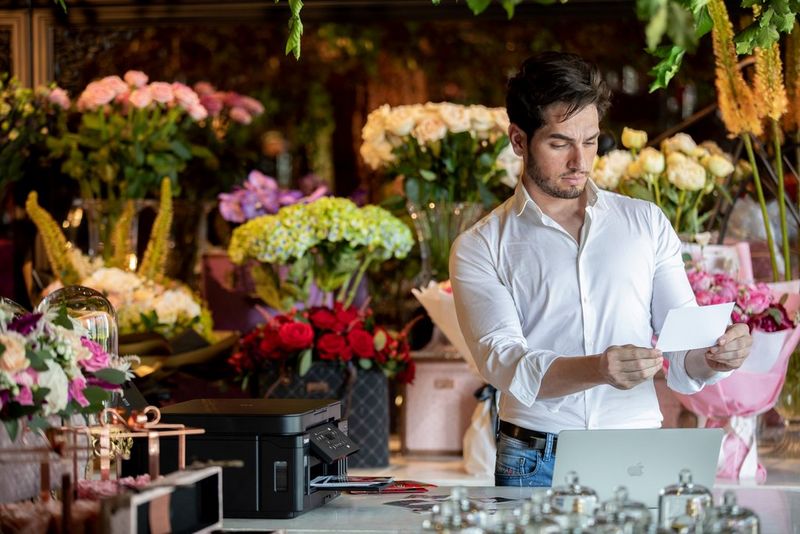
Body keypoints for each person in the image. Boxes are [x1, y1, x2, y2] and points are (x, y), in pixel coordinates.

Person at [449, 51, 753, 487]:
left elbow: (684, 357)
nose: (580, 161)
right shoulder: (480, 246)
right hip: (535, 455)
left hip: (638, 448)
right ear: (518, 140)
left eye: (590, 141)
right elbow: (505, 364)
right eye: (560, 143)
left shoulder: (645, 222)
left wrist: (716, 357)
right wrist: (598, 369)